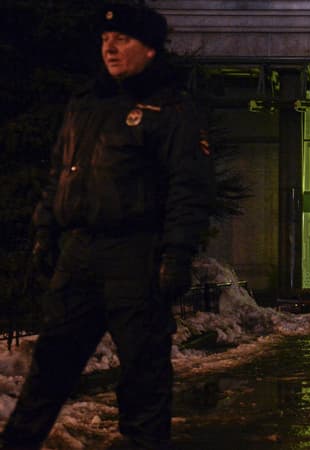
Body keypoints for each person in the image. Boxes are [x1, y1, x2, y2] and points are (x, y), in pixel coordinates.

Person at [1, 4, 213, 449]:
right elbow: (60, 172)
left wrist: (176, 255)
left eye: (123, 40)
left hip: (134, 255)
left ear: (150, 49)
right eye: (104, 40)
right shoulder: (86, 103)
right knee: (49, 370)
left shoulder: (170, 108)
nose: (110, 48)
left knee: (143, 375)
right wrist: (46, 231)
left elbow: (187, 189)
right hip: (79, 254)